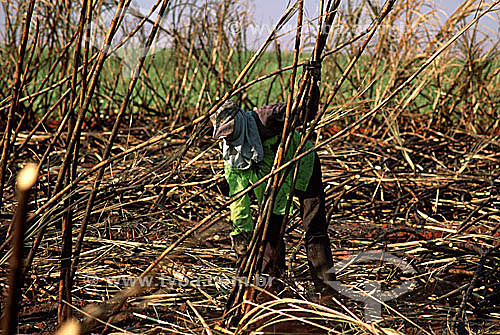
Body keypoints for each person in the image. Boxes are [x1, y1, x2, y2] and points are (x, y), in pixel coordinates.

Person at [211, 69, 335, 293]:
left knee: (314, 226)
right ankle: (272, 287)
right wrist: (241, 235)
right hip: (275, 188)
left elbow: (304, 112)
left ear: (238, 121)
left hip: (302, 166)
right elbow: (238, 197)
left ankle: (326, 286)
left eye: (230, 131)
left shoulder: (265, 119)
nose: (228, 137)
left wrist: (311, 85)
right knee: (269, 233)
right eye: (223, 135)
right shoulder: (231, 154)